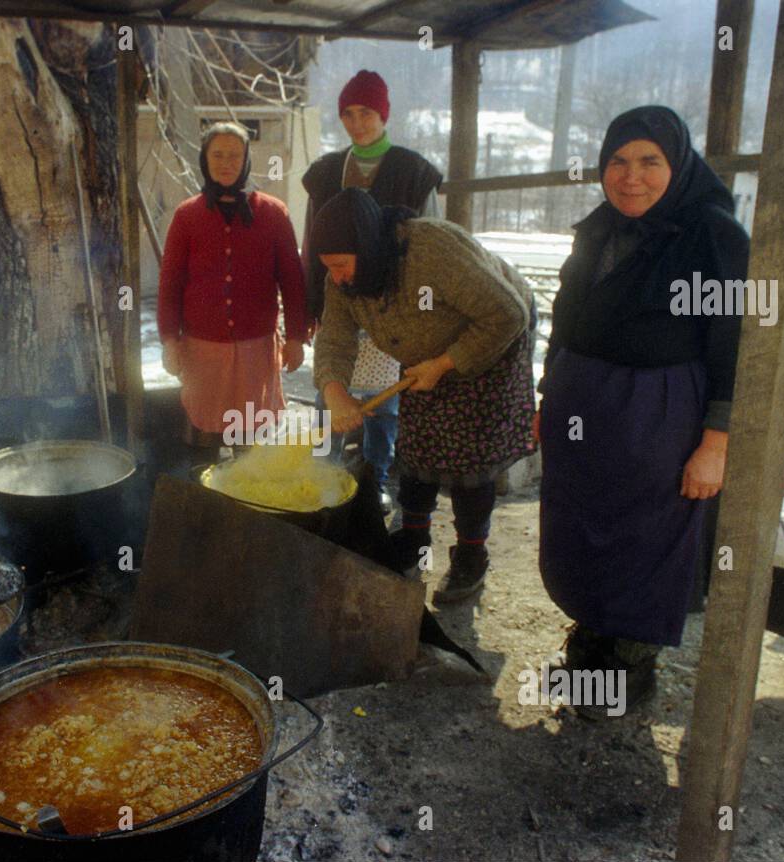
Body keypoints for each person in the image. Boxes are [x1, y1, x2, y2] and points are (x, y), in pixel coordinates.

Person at [536, 105, 749, 707]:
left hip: (658, 414)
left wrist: (717, 441)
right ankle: (588, 647)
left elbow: (734, 342)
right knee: (581, 524)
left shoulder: (714, 235)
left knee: (644, 537)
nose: (632, 177)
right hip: (582, 410)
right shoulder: (597, 229)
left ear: (677, 164)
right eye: (618, 162)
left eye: (649, 161)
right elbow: (564, 320)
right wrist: (549, 397)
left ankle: (627, 671)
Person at [311, 188, 537, 603]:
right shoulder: (343, 279)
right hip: (424, 352)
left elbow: (507, 314)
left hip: (492, 338)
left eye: (342, 265)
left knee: (472, 457)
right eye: (330, 268)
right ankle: (414, 537)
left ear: (366, 244)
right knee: (417, 446)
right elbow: (335, 339)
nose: (339, 277)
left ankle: (472, 555)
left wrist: (445, 364)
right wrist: (335, 390)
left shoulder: (430, 248)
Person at [302, 70, 443, 512]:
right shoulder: (326, 173)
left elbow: (432, 244)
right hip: (340, 299)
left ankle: (374, 479)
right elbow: (312, 244)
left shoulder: (414, 173)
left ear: (384, 114)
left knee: (385, 403)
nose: (357, 122)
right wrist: (310, 305)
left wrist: (423, 312)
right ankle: (323, 475)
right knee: (333, 389)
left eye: (367, 112)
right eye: (348, 113)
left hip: (392, 307)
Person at [158, 122, 309, 466]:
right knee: (202, 446)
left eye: (234, 155)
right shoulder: (186, 216)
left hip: (255, 351)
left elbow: (293, 282)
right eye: (218, 155)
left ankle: (246, 510)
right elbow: (170, 286)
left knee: (250, 447)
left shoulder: (273, 213)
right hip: (202, 352)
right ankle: (204, 509)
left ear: (246, 160)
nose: (226, 162)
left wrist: (296, 337)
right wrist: (169, 339)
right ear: (204, 159)